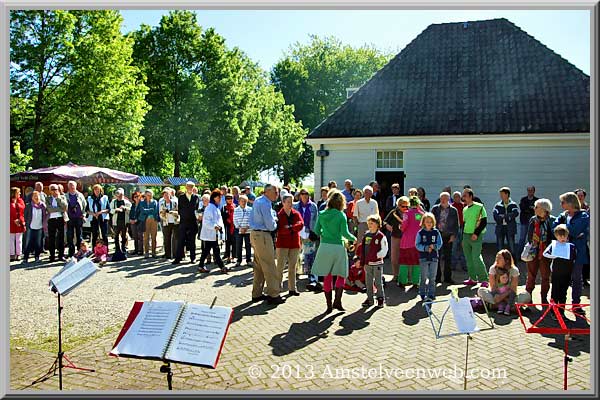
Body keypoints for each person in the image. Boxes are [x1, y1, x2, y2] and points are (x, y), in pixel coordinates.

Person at [311, 190, 357, 314]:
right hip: (338, 248)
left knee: (327, 276)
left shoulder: (322, 213)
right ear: (341, 203)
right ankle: (338, 302)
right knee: (341, 275)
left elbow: (316, 230)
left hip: (325, 247)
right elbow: (345, 233)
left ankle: (329, 305)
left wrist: (325, 234)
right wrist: (354, 238)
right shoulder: (341, 215)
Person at [553, 192, 589, 311]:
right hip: (563, 254)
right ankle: (560, 305)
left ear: (570, 203)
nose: (561, 204)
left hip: (577, 254)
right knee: (562, 279)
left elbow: (574, 230)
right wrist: (568, 230)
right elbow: (554, 227)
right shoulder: (563, 215)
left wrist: (564, 230)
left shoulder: (583, 216)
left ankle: (576, 305)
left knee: (576, 279)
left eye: (563, 202)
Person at [249, 184, 283, 305]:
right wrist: (276, 223)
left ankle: (256, 294)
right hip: (263, 235)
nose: (277, 195)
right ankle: (274, 294)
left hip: (255, 235)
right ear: (268, 191)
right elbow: (270, 224)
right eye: (276, 192)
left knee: (259, 266)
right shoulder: (265, 203)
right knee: (269, 265)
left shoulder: (259, 200)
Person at [525, 198, 555, 305]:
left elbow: (553, 238)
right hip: (533, 252)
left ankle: (543, 297)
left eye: (537, 207)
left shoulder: (552, 220)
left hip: (546, 253)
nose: (534, 208)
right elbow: (529, 236)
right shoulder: (533, 220)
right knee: (531, 276)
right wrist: (534, 242)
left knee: (545, 277)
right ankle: (528, 298)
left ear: (544, 209)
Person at [543, 224, 576, 318]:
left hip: (567, 273)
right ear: (556, 236)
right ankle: (553, 311)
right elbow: (545, 253)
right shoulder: (554, 245)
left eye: (564, 236)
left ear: (567, 235)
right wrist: (554, 255)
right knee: (555, 292)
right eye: (559, 236)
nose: (562, 238)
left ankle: (561, 311)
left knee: (563, 293)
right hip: (556, 273)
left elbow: (574, 257)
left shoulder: (571, 246)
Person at [276, 193, 304, 296]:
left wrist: (291, 227)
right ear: (283, 202)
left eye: (291, 202)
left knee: (293, 267)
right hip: (282, 244)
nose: (290, 204)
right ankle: (277, 288)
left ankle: (292, 288)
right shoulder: (279, 215)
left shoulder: (296, 213)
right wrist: (292, 228)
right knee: (280, 267)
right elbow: (281, 229)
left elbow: (300, 224)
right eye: (288, 202)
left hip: (294, 244)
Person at [357, 214, 388, 308]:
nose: (369, 225)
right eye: (368, 223)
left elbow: (385, 249)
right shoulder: (366, 235)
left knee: (378, 282)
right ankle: (370, 299)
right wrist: (361, 260)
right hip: (367, 264)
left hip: (377, 263)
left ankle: (380, 299)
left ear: (378, 224)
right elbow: (362, 249)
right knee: (368, 282)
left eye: (372, 223)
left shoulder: (381, 236)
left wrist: (377, 256)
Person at [294, 188, 320, 291]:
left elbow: (316, 219)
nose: (304, 196)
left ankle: (312, 278)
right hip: (298, 234)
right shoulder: (295, 206)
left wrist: (315, 233)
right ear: (300, 196)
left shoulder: (313, 206)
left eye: (306, 194)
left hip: (309, 233)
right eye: (302, 194)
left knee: (310, 256)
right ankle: (296, 274)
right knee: (297, 255)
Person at [462, 188, 488, 286]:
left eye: (465, 195)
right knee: (468, 258)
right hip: (466, 235)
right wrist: (462, 237)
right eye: (462, 195)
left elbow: (483, 222)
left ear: (470, 196)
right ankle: (472, 278)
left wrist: (476, 233)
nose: (463, 197)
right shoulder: (464, 209)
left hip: (476, 236)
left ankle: (484, 279)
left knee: (476, 257)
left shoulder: (480, 207)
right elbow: (464, 224)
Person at [431, 192, 459, 284]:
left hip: (448, 236)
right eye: (441, 198)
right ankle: (437, 278)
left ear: (449, 199)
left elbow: (456, 224)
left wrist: (454, 235)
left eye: (445, 199)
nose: (443, 200)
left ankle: (447, 278)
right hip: (437, 235)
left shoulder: (453, 210)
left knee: (448, 258)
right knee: (436, 257)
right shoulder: (435, 209)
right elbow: (430, 221)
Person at [415, 212, 443, 301]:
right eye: (427, 221)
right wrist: (425, 248)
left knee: (432, 277)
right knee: (423, 276)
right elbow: (417, 244)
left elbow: (440, 243)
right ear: (423, 222)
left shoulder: (436, 232)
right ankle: (422, 293)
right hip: (423, 258)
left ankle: (431, 294)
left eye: (431, 222)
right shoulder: (420, 233)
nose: (429, 223)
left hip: (434, 257)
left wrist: (434, 247)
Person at [198, 190, 227, 274]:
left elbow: (218, 220)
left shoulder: (215, 207)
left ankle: (201, 266)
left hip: (213, 233)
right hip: (210, 233)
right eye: (219, 197)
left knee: (207, 250)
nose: (220, 199)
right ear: (214, 198)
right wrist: (214, 226)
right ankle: (222, 267)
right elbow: (206, 221)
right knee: (215, 250)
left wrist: (219, 227)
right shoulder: (209, 207)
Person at [398, 196, 424, 289]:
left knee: (404, 262)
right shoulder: (421, 214)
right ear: (418, 204)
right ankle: (416, 282)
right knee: (416, 262)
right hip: (417, 241)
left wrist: (400, 227)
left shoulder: (406, 213)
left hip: (406, 241)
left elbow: (404, 226)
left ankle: (403, 281)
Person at [172, 182, 200, 264]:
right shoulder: (181, 197)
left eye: (191, 187)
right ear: (186, 187)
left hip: (192, 222)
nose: (190, 188)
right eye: (188, 187)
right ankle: (178, 258)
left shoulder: (196, 197)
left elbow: (197, 209)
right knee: (181, 240)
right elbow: (180, 209)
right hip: (183, 222)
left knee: (192, 241)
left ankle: (193, 258)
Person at [383, 196, 408, 285]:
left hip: (406, 237)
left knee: (405, 257)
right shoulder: (393, 212)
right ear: (398, 205)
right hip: (395, 236)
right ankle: (396, 275)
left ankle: (406, 276)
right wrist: (387, 226)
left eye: (406, 206)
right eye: (402, 206)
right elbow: (385, 221)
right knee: (394, 258)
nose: (405, 208)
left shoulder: (409, 212)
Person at [493, 187, 519, 257]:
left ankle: (513, 262)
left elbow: (515, 213)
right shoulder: (497, 205)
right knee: (500, 247)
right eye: (500, 194)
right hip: (500, 228)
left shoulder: (513, 204)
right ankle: (500, 263)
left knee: (511, 246)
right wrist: (502, 218)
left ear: (507, 194)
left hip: (510, 228)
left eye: (502, 194)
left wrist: (504, 216)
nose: (500, 196)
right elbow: (495, 215)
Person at [23, 191, 47, 263]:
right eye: (35, 196)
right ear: (32, 198)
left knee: (38, 243)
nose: (36, 198)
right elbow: (25, 216)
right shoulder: (28, 206)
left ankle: (37, 257)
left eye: (38, 196)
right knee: (27, 243)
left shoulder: (43, 206)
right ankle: (25, 258)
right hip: (30, 227)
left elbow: (45, 215)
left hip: (39, 227)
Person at [45, 184, 68, 262]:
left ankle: (61, 255)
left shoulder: (62, 197)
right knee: (51, 238)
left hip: (60, 219)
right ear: (50, 190)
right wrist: (59, 209)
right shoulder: (47, 198)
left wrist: (58, 198)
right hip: (51, 220)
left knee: (61, 238)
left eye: (55, 189)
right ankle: (52, 256)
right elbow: (49, 209)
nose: (54, 191)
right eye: (52, 189)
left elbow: (65, 207)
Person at [65, 181, 87, 257]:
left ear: (76, 186)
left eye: (73, 186)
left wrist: (83, 214)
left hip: (79, 218)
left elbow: (84, 205)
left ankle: (80, 251)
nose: (72, 187)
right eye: (70, 186)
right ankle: (71, 252)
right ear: (68, 187)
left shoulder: (80, 195)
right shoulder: (65, 196)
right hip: (69, 218)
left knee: (79, 235)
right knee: (70, 236)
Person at [574, 188, 590, 287]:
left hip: (585, 238)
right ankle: (573, 279)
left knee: (586, 258)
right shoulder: (571, 208)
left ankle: (584, 278)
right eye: (578, 196)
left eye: (581, 196)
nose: (580, 198)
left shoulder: (588, 208)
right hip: (574, 238)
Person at [138, 189, 159, 258]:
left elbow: (155, 211)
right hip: (145, 220)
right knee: (146, 237)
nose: (149, 196)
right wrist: (150, 210)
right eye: (147, 194)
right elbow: (142, 210)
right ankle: (146, 252)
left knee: (154, 237)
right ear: (145, 195)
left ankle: (153, 252)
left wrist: (147, 211)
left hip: (153, 220)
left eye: (150, 194)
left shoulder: (155, 202)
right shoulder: (141, 202)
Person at [159, 188, 179, 259]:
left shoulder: (175, 202)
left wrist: (171, 212)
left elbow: (178, 212)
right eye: (164, 195)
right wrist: (164, 214)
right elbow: (160, 214)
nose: (166, 196)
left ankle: (176, 254)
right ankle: (168, 255)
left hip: (174, 222)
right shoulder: (162, 204)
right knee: (167, 239)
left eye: (167, 194)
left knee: (176, 239)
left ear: (170, 195)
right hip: (166, 223)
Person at [110, 188, 132, 255]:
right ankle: (117, 248)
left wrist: (125, 208)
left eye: (120, 195)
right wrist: (115, 210)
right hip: (116, 221)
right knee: (116, 236)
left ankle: (123, 247)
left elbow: (131, 210)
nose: (119, 196)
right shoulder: (113, 202)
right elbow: (110, 210)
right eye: (117, 195)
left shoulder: (127, 202)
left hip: (124, 221)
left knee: (124, 235)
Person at [518, 186, 538, 256]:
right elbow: (523, 209)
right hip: (524, 221)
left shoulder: (537, 200)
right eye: (529, 190)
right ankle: (520, 255)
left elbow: (536, 211)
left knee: (532, 239)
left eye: (531, 190)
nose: (530, 192)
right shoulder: (523, 199)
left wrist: (529, 209)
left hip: (533, 223)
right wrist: (531, 208)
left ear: (534, 191)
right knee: (522, 239)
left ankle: (531, 254)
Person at [233, 194, 252, 268]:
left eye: (245, 201)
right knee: (238, 245)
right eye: (242, 201)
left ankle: (249, 260)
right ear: (239, 202)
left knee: (248, 245)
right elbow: (234, 220)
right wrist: (239, 228)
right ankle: (239, 260)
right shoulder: (236, 210)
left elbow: (251, 219)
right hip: (239, 230)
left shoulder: (250, 209)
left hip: (248, 230)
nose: (243, 202)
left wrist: (247, 227)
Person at [451, 191, 467, 271]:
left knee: (463, 248)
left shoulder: (464, 206)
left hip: (463, 228)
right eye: (455, 197)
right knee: (454, 248)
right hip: (455, 230)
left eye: (458, 196)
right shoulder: (451, 207)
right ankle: (453, 265)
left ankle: (464, 265)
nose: (456, 198)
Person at [10, 187, 26, 262]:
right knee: (11, 239)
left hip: (19, 223)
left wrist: (19, 220)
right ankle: (12, 254)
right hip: (10, 222)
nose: (19, 193)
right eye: (18, 192)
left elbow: (22, 210)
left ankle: (18, 254)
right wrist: (13, 220)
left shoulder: (20, 200)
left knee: (19, 239)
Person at [222, 193, 236, 263]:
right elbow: (222, 217)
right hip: (227, 227)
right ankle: (228, 256)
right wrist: (227, 219)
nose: (229, 200)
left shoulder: (235, 206)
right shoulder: (224, 207)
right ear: (225, 200)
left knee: (234, 242)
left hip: (234, 226)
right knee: (227, 242)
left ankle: (233, 256)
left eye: (231, 198)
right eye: (228, 198)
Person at [129, 191, 144, 256]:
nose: (136, 198)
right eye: (135, 197)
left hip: (140, 222)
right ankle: (136, 250)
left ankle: (141, 250)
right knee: (135, 237)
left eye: (137, 196)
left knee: (140, 237)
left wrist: (136, 220)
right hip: (133, 222)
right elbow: (131, 213)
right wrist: (130, 219)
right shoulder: (133, 205)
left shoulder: (142, 204)